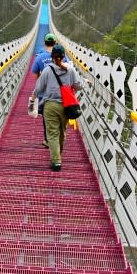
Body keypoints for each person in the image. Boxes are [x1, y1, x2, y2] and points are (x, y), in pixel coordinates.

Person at [31, 43, 82, 171]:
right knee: (61, 131)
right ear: (64, 56)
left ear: (52, 57)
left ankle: (56, 161)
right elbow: (78, 86)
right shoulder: (70, 69)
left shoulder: (48, 70)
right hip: (67, 105)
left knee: (52, 133)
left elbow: (39, 88)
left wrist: (33, 97)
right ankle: (57, 155)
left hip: (50, 105)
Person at [31, 32, 56, 145]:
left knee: (46, 118)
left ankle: (47, 139)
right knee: (58, 116)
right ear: (55, 43)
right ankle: (57, 138)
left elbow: (35, 76)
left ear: (45, 43)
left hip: (44, 94)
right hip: (59, 93)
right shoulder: (61, 57)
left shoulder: (39, 57)